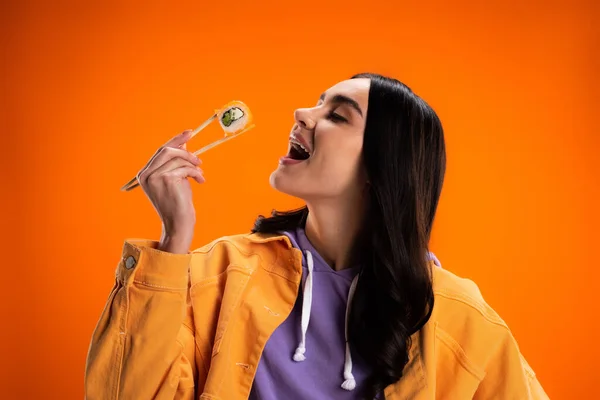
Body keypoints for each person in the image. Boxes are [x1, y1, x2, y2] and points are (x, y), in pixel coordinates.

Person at [84, 73, 548, 399]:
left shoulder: (458, 317)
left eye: (337, 115)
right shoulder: (219, 273)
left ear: (380, 167)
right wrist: (174, 240)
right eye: (317, 102)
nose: (301, 112)